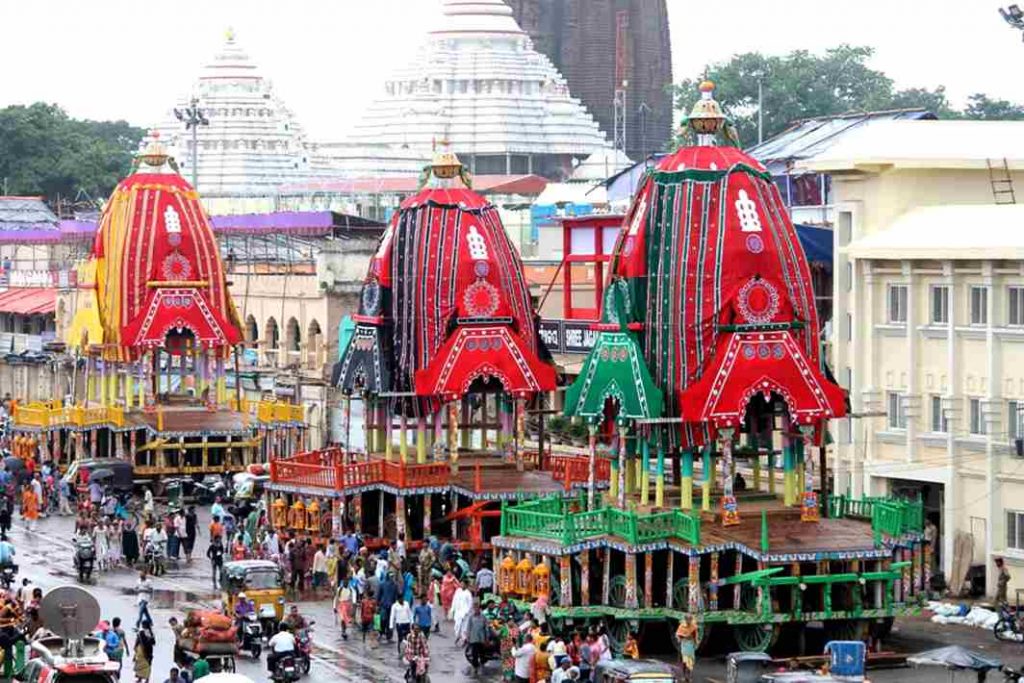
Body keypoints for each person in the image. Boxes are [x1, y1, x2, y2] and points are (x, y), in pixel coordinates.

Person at [466, 603, 490, 671]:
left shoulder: (483, 617)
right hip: (473, 637)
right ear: (473, 609)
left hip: (481, 638)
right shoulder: (471, 617)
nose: (476, 610)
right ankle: (475, 666)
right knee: (474, 653)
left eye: (477, 608)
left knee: (482, 652)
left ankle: (482, 663)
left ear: (480, 609)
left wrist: (487, 637)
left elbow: (486, 628)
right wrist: (468, 636)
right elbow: (469, 627)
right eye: (475, 608)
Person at [675, 616, 697, 683]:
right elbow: (677, 634)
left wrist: (695, 642)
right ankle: (684, 676)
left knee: (690, 662)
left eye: (690, 620)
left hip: (691, 645)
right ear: (685, 620)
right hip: (684, 644)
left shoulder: (693, 626)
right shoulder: (682, 626)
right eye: (687, 620)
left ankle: (689, 676)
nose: (689, 621)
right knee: (685, 661)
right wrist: (680, 638)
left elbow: (695, 635)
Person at [450, 580, 474, 645]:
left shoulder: (468, 593)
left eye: (463, 584)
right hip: (458, 611)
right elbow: (454, 600)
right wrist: (452, 609)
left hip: (465, 612)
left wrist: (467, 612)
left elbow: (470, 604)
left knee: (464, 626)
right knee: (457, 626)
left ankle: (464, 639)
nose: (462, 585)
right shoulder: (457, 591)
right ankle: (458, 636)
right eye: (461, 584)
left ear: (466, 585)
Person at [134, 618, 155, 683]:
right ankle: (146, 679)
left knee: (141, 664)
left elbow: (137, 641)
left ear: (144, 625)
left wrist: (135, 648)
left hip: (142, 650)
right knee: (147, 664)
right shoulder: (150, 632)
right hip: (148, 650)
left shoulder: (142, 632)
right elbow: (153, 642)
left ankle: (140, 679)